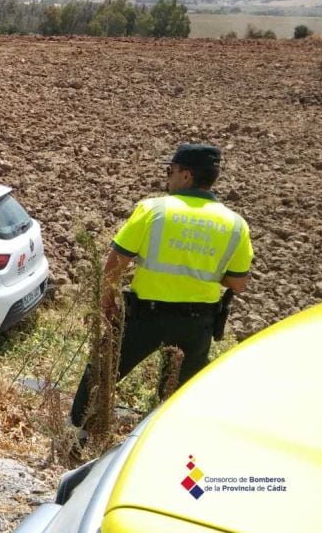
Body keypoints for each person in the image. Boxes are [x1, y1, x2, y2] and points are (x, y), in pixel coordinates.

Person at [69, 144, 254, 444]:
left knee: (102, 372)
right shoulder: (235, 225)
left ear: (186, 175)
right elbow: (238, 284)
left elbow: (116, 262)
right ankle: (167, 447)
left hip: (145, 317)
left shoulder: (154, 209)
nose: (167, 178)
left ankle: (76, 437)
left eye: (170, 171)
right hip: (197, 325)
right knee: (180, 394)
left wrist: (107, 300)